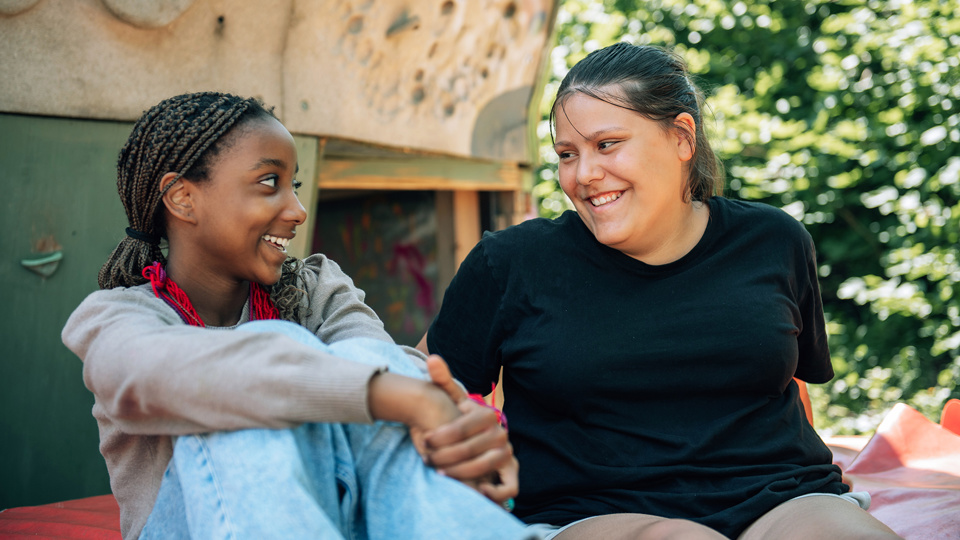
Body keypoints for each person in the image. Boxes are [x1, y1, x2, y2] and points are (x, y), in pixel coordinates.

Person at [418, 43, 902, 539]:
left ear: (681, 137)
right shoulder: (511, 263)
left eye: (606, 145)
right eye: (568, 154)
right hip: (588, 512)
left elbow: (795, 384)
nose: (583, 174)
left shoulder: (775, 241)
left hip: (781, 497)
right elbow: (416, 378)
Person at [61, 92, 534, 540]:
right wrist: (407, 398)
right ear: (183, 198)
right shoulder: (115, 318)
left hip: (332, 518)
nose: (298, 209)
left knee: (364, 356)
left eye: (295, 186)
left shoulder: (315, 288)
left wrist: (452, 423)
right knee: (247, 400)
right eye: (270, 183)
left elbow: (387, 367)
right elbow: (171, 376)